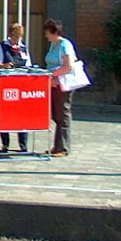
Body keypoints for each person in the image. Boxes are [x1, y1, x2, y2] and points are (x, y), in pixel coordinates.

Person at [0, 23, 32, 153]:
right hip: (6, 84)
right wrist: (5, 65)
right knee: (5, 114)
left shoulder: (23, 48)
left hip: (21, 84)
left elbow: (29, 66)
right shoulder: (2, 46)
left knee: (22, 115)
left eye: (18, 37)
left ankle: (23, 144)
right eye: (14, 37)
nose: (16, 40)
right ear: (10, 35)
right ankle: (5, 144)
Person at [43, 18, 77, 157]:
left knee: (63, 114)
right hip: (53, 83)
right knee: (56, 114)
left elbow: (68, 66)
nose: (46, 35)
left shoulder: (65, 45)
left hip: (63, 84)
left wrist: (52, 75)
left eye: (47, 32)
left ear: (54, 32)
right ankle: (57, 146)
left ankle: (64, 148)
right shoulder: (53, 45)